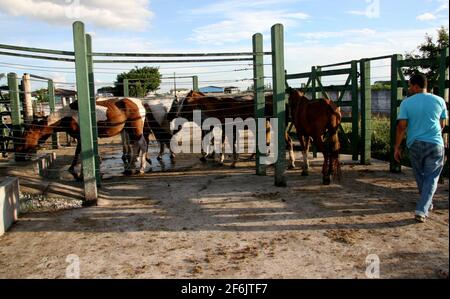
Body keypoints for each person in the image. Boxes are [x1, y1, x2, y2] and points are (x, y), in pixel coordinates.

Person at [394, 73, 448, 223]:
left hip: (415, 144)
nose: (409, 88)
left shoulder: (406, 103)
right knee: (431, 177)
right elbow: (442, 124)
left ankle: (421, 209)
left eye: (410, 85)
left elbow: (401, 127)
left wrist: (397, 147)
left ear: (416, 86)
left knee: (419, 175)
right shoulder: (440, 100)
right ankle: (426, 203)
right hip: (436, 143)